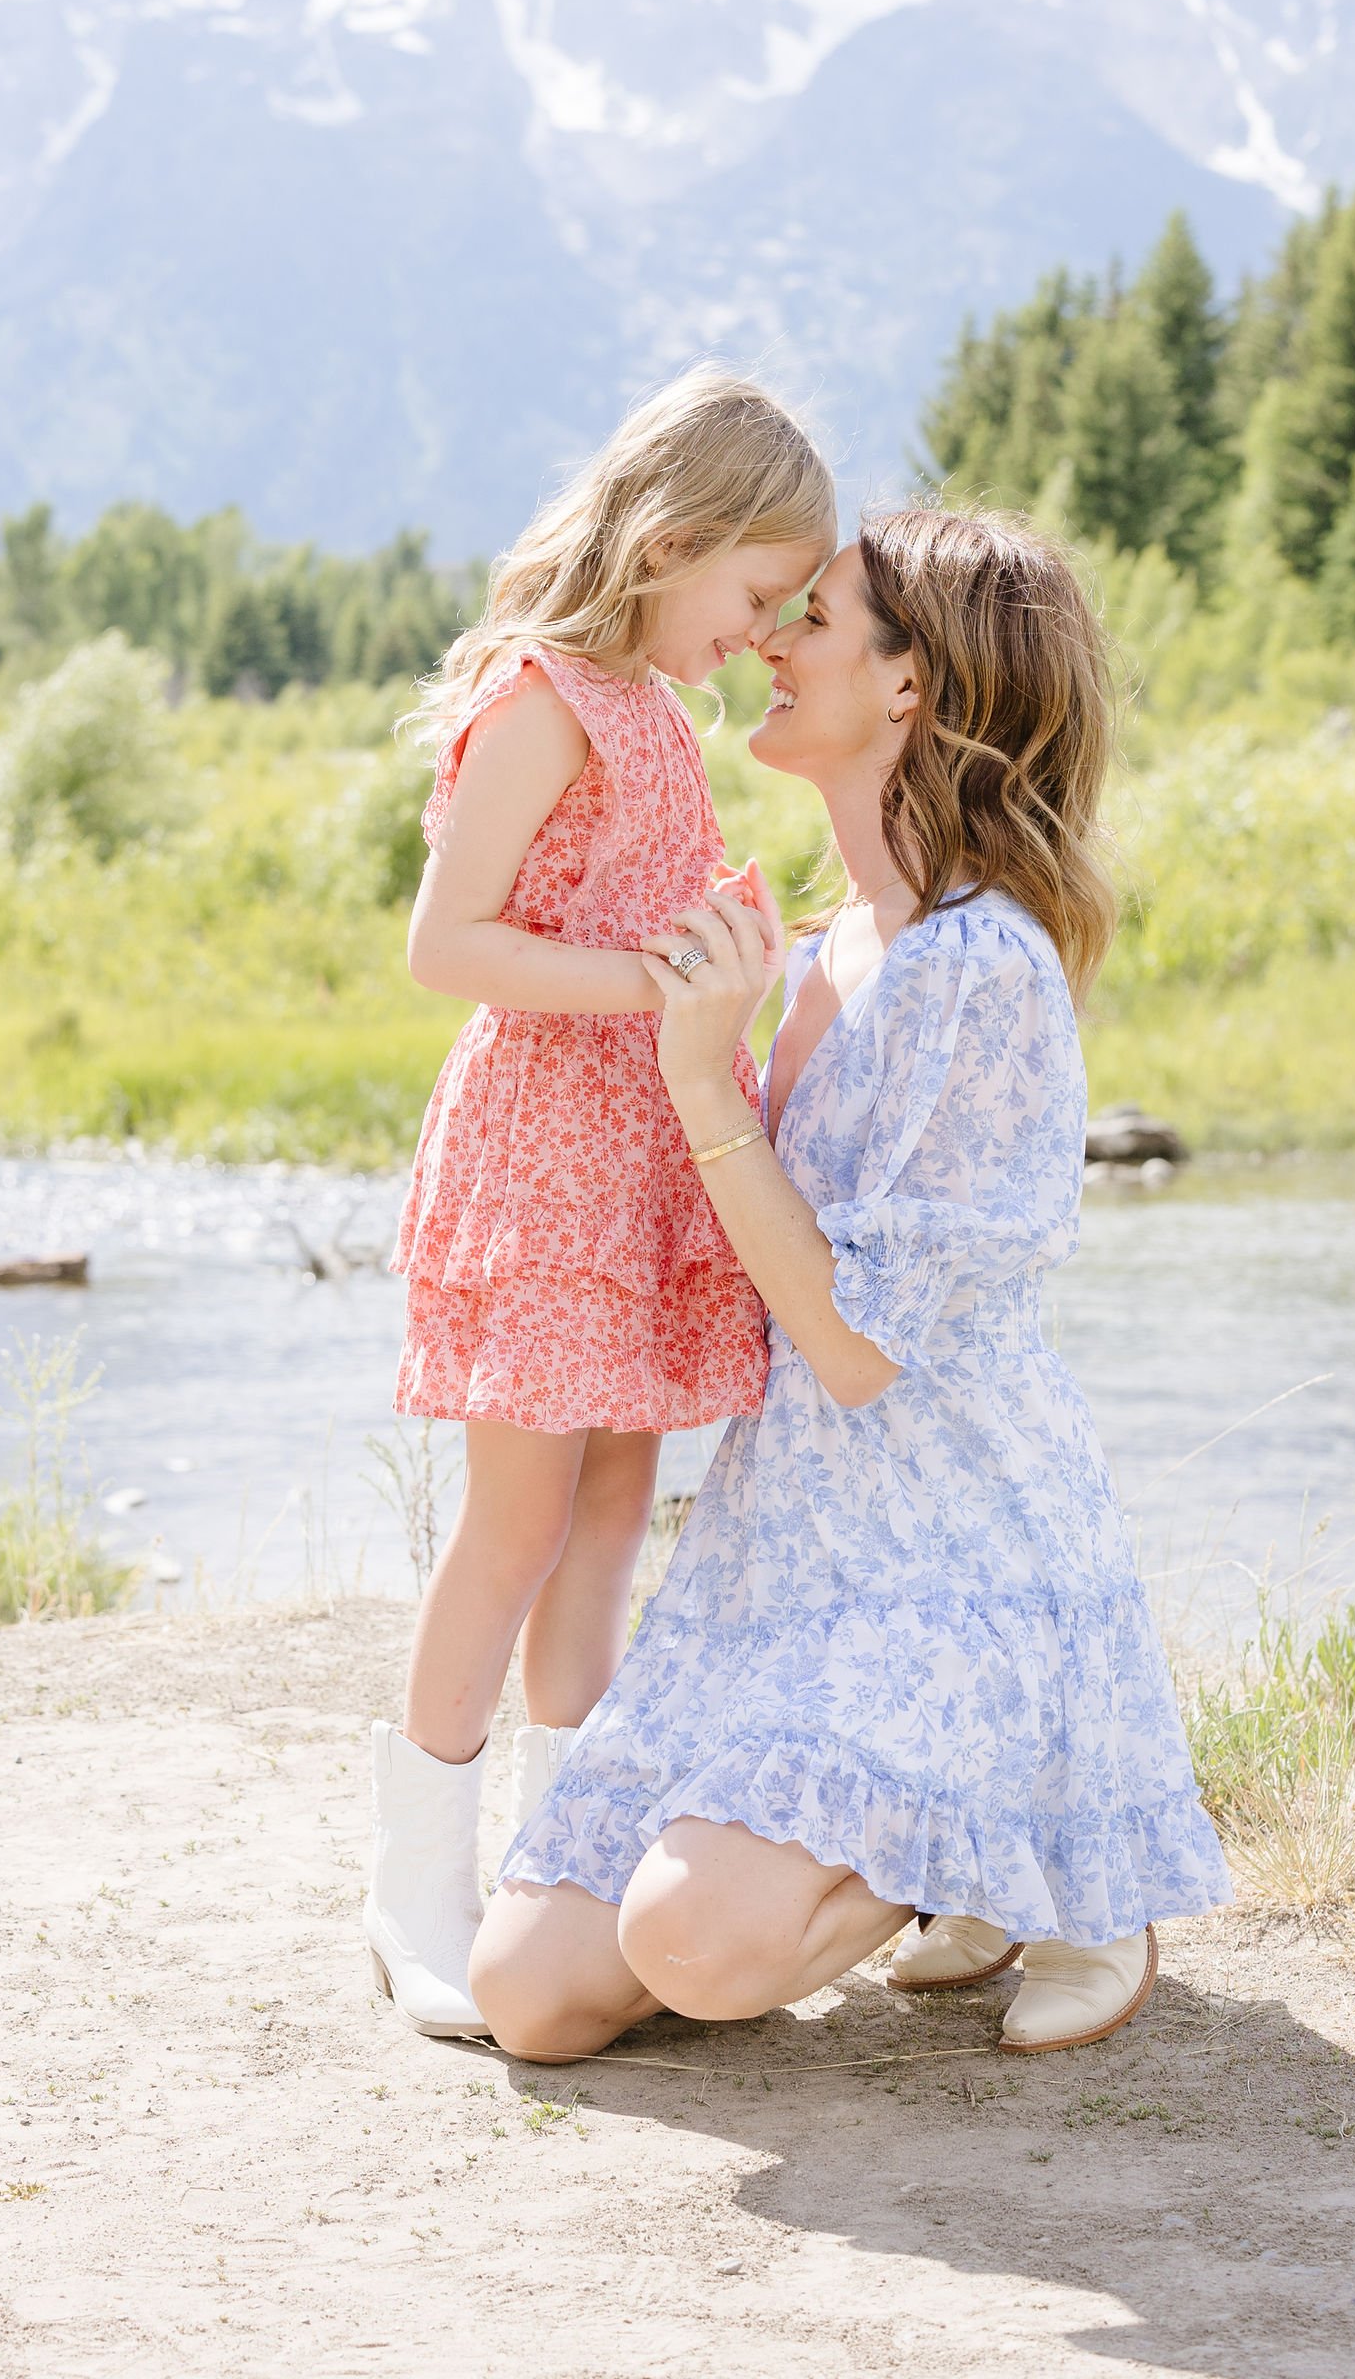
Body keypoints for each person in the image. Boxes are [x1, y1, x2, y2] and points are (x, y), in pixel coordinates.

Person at [472, 506, 1232, 2061]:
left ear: (910, 689)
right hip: (783, 1556)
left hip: (956, 1561)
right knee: (530, 1997)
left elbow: (854, 1346)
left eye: (812, 618)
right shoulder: (816, 955)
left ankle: (1036, 1853)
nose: (767, 640)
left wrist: (703, 1083)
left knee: (692, 1938)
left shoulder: (982, 969)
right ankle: (956, 1857)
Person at [364, 369, 837, 2037]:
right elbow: (449, 946)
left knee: (615, 1524)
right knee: (516, 1528)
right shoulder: (546, 693)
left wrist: (724, 962)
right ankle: (413, 1893)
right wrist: (653, 974)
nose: (763, 633)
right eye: (755, 596)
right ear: (674, 537)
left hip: (642, 1150)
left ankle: (559, 1869)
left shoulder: (656, 710)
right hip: (550, 1154)